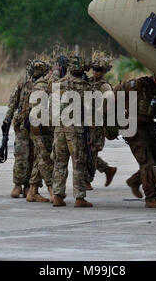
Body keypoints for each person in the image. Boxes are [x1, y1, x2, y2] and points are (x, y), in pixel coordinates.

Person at [114, 75, 156, 208]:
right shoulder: (139, 84)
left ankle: (134, 180)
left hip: (148, 125)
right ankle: (151, 198)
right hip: (134, 127)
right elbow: (116, 92)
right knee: (147, 163)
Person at [51, 55, 93, 207]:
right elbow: (92, 112)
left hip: (59, 129)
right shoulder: (85, 87)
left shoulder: (58, 84)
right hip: (75, 130)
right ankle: (79, 198)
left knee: (59, 163)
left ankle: (57, 195)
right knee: (78, 163)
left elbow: (51, 109)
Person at [2, 62, 35, 198]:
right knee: (21, 155)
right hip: (21, 125)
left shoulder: (43, 85)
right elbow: (13, 103)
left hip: (35, 126)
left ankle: (28, 185)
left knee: (33, 156)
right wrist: (7, 120)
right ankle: (17, 184)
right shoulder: (22, 85)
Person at [86, 50, 117, 190]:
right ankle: (107, 169)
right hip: (87, 122)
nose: (95, 73)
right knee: (84, 151)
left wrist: (101, 114)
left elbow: (110, 103)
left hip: (97, 125)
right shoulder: (89, 82)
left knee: (91, 152)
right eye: (94, 70)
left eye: (98, 70)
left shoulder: (105, 86)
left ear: (103, 72)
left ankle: (87, 180)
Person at [26, 58, 54, 203]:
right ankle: (52, 190)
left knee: (39, 158)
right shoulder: (41, 85)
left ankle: (32, 191)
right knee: (44, 159)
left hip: (39, 126)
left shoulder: (30, 83)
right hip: (38, 127)